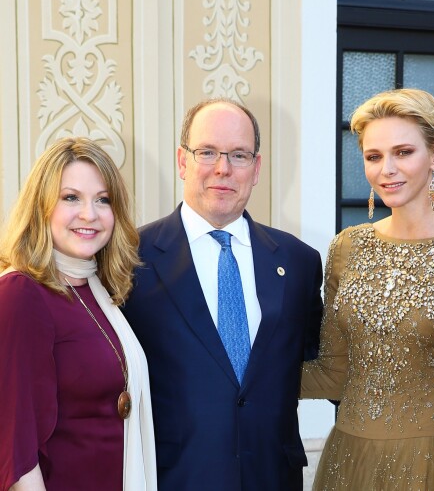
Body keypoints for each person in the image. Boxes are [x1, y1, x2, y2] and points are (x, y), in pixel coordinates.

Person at [122, 98, 324, 490]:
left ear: (257, 168)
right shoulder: (131, 259)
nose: (223, 168)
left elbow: (313, 362)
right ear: (182, 161)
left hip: (273, 478)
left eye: (239, 155)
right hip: (174, 478)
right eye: (208, 152)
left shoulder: (299, 262)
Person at [301, 88, 434, 490]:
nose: (387, 169)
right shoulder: (346, 247)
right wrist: (241, 373)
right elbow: (334, 371)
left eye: (403, 152)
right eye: (374, 156)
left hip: (433, 462)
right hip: (350, 460)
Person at [0, 137, 156, 491]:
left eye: (103, 200)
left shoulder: (99, 291)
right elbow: (15, 449)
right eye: (71, 197)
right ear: (42, 206)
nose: (89, 214)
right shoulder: (20, 293)